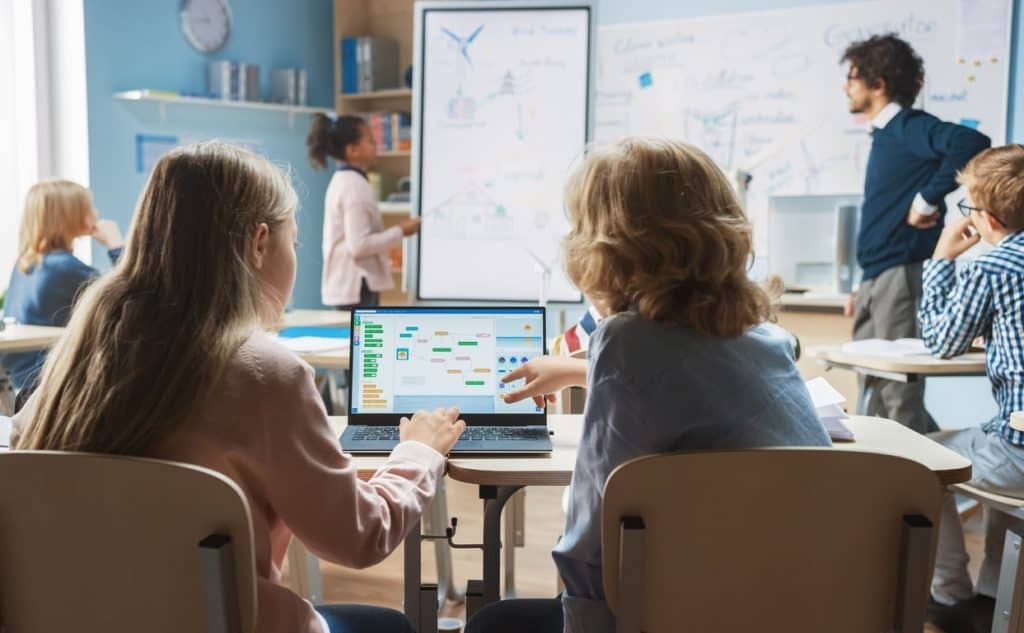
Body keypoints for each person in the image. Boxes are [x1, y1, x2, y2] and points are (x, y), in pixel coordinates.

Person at [12, 142, 466, 633]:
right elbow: (359, 538)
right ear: (259, 243)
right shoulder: (265, 373)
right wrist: (417, 455)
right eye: (294, 243)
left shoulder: (80, 355)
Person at [467, 137, 831, 633]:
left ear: (605, 244)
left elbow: (591, 539)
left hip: (673, 611)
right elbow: (691, 373)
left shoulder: (623, 341)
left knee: (495, 622)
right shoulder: (769, 339)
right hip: (794, 605)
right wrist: (580, 369)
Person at [840, 34, 990, 433]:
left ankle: (929, 493)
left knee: (898, 399)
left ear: (878, 84)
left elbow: (971, 142)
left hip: (900, 278)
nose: (846, 87)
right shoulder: (885, 135)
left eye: (853, 78)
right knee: (872, 397)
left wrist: (927, 198)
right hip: (878, 277)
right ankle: (913, 485)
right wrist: (863, 283)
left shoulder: (907, 126)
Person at [919, 145, 1024, 632]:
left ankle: (950, 595)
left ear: (988, 217)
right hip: (1014, 444)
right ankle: (992, 596)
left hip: (1019, 452)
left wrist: (942, 254)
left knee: (920, 462)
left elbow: (940, 340)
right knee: (989, 439)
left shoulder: (994, 266)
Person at [1, 179, 123, 392]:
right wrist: (116, 245)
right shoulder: (64, 267)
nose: (96, 213)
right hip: (47, 382)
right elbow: (125, 300)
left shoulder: (27, 263)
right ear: (70, 215)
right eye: (88, 207)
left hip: (20, 381)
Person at [307, 113, 420, 309]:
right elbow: (359, 246)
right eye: (370, 140)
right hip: (358, 286)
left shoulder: (344, 181)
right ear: (352, 150)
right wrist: (401, 231)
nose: (375, 145)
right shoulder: (354, 186)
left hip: (351, 286)